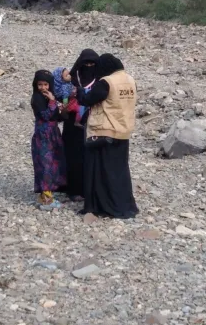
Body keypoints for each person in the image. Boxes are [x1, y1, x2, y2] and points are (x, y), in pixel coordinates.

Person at [77, 53, 139, 219]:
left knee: (99, 171)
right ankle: (124, 205)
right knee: (119, 171)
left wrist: (79, 91)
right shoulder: (130, 80)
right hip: (123, 131)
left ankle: (104, 206)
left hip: (104, 132)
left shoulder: (107, 82)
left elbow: (87, 99)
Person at [61, 49, 99, 200]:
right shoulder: (71, 79)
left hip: (92, 123)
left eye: (92, 64)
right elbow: (61, 97)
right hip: (72, 124)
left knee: (90, 157)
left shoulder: (100, 80)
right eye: (86, 64)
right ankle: (73, 189)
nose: (89, 67)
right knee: (72, 155)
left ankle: (88, 189)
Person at [30, 69, 66, 210]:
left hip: (53, 134)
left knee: (53, 163)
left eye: (46, 84)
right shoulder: (37, 99)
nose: (43, 88)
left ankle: (45, 195)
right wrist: (52, 102)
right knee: (45, 165)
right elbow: (46, 115)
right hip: (43, 136)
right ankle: (47, 200)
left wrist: (61, 107)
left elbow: (57, 116)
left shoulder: (49, 97)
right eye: (40, 84)